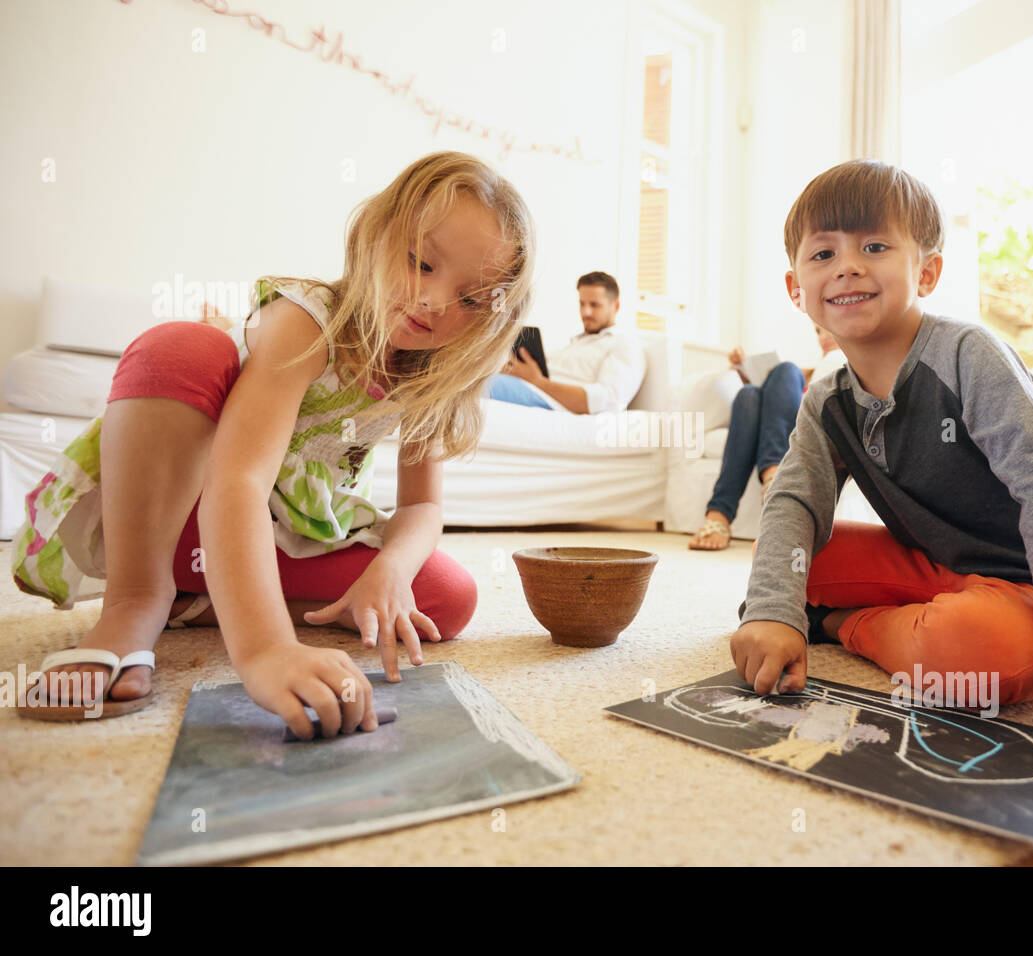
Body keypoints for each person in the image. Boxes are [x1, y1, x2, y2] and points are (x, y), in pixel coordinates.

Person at [14, 151, 536, 739]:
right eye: (420, 262)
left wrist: (390, 568)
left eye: (471, 299)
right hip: (185, 512)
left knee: (444, 599)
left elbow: (422, 508)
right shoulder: (309, 321)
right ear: (375, 235)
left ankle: (197, 604)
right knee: (183, 344)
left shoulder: (432, 375)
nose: (434, 302)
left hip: (287, 532)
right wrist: (266, 648)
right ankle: (138, 600)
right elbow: (237, 482)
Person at [729, 159, 1033, 795]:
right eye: (824, 253)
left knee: (968, 657)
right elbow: (795, 502)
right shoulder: (826, 397)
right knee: (782, 558)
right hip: (931, 566)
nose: (847, 266)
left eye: (874, 246)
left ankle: (844, 625)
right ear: (798, 288)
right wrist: (771, 611)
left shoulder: (969, 355)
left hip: (1027, 584)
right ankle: (838, 613)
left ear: (926, 271)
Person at [688, 325, 843, 550]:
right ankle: (726, 508)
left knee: (786, 370)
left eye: (828, 329)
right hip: (772, 430)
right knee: (748, 395)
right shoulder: (806, 373)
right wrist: (742, 371)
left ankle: (722, 510)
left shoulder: (827, 373)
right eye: (818, 332)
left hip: (801, 430)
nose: (823, 337)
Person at [488, 271, 645, 413]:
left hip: (549, 400)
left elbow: (609, 400)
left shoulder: (625, 344)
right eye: (582, 303)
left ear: (615, 306)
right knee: (478, 373)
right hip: (532, 388)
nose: (586, 312)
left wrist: (537, 381)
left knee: (478, 384)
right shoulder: (580, 343)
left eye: (594, 305)